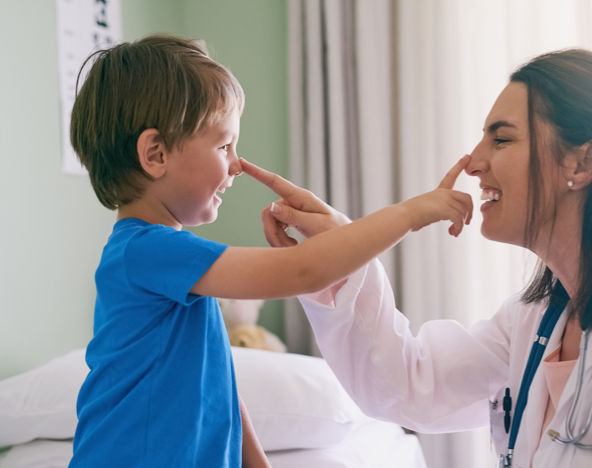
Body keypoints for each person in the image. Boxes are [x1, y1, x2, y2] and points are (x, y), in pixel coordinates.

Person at [259, 48, 592, 467]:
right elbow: (407, 385)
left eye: (501, 138)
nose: (474, 163)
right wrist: (337, 252)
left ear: (583, 162)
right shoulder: (538, 321)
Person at [68, 34, 472, 468]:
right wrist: (410, 213)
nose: (237, 164)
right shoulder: (147, 252)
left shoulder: (167, 258)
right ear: (155, 153)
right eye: (224, 146)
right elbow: (303, 271)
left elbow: (215, 386)